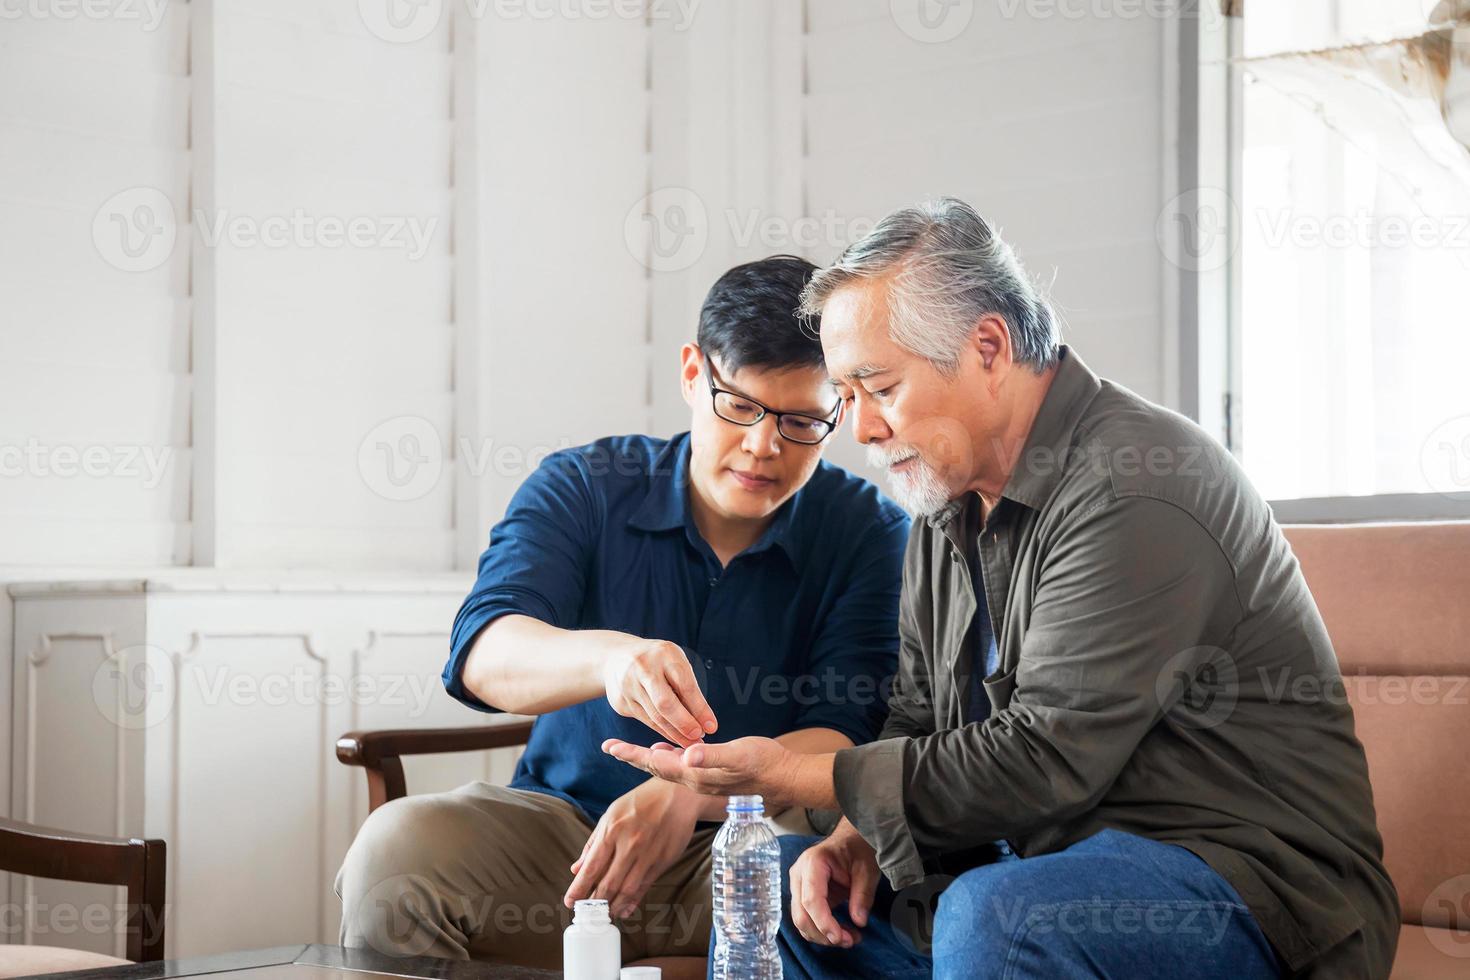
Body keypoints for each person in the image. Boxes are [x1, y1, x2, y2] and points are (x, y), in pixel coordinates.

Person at [605, 200, 1399, 979]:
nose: (862, 430)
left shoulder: (1138, 484)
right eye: (845, 398)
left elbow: (1043, 757)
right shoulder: (941, 503)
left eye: (878, 388)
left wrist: (783, 773)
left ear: (987, 347)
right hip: (1025, 871)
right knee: (785, 885)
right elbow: (916, 718)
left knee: (1002, 917)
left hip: (1243, 890)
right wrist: (856, 839)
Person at [335, 255, 909, 979]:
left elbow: (846, 733)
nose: (765, 446)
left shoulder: (870, 533)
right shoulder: (585, 485)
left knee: (839, 887)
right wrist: (610, 659)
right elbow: (484, 651)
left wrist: (689, 791)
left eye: (802, 421)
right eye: (741, 406)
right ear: (693, 374)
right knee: (396, 853)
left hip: (754, 848)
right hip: (563, 847)